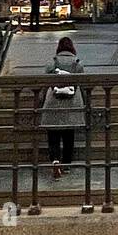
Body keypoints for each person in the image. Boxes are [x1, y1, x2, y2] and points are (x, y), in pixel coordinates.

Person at [40, 36, 85, 178]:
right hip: (71, 104)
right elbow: (83, 86)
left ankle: (55, 160)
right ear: (72, 48)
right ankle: (66, 165)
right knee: (68, 136)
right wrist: (86, 102)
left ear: (59, 48)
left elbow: (44, 84)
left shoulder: (52, 63)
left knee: (53, 135)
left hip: (53, 103)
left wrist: (41, 101)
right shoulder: (78, 64)